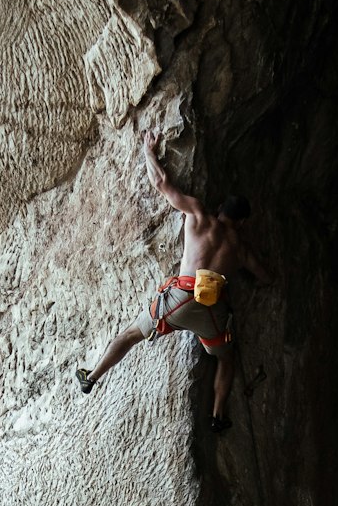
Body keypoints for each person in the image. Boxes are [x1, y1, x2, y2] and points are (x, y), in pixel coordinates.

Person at [76, 129, 270, 433]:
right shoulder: (241, 249)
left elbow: (161, 183)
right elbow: (264, 275)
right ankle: (218, 416)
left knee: (130, 335)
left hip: (178, 301)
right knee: (226, 360)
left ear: (220, 209)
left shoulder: (198, 215)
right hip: (212, 311)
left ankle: (92, 377)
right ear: (242, 222)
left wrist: (148, 150)